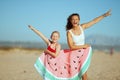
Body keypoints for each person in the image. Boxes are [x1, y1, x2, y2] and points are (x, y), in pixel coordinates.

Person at [66, 9, 111, 80]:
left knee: (84, 74)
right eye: (73, 19)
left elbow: (93, 21)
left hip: (83, 54)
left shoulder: (82, 27)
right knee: (75, 75)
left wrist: (104, 15)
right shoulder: (69, 32)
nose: (75, 21)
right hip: (74, 55)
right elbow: (71, 46)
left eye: (76, 19)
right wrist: (84, 46)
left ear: (79, 20)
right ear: (70, 21)